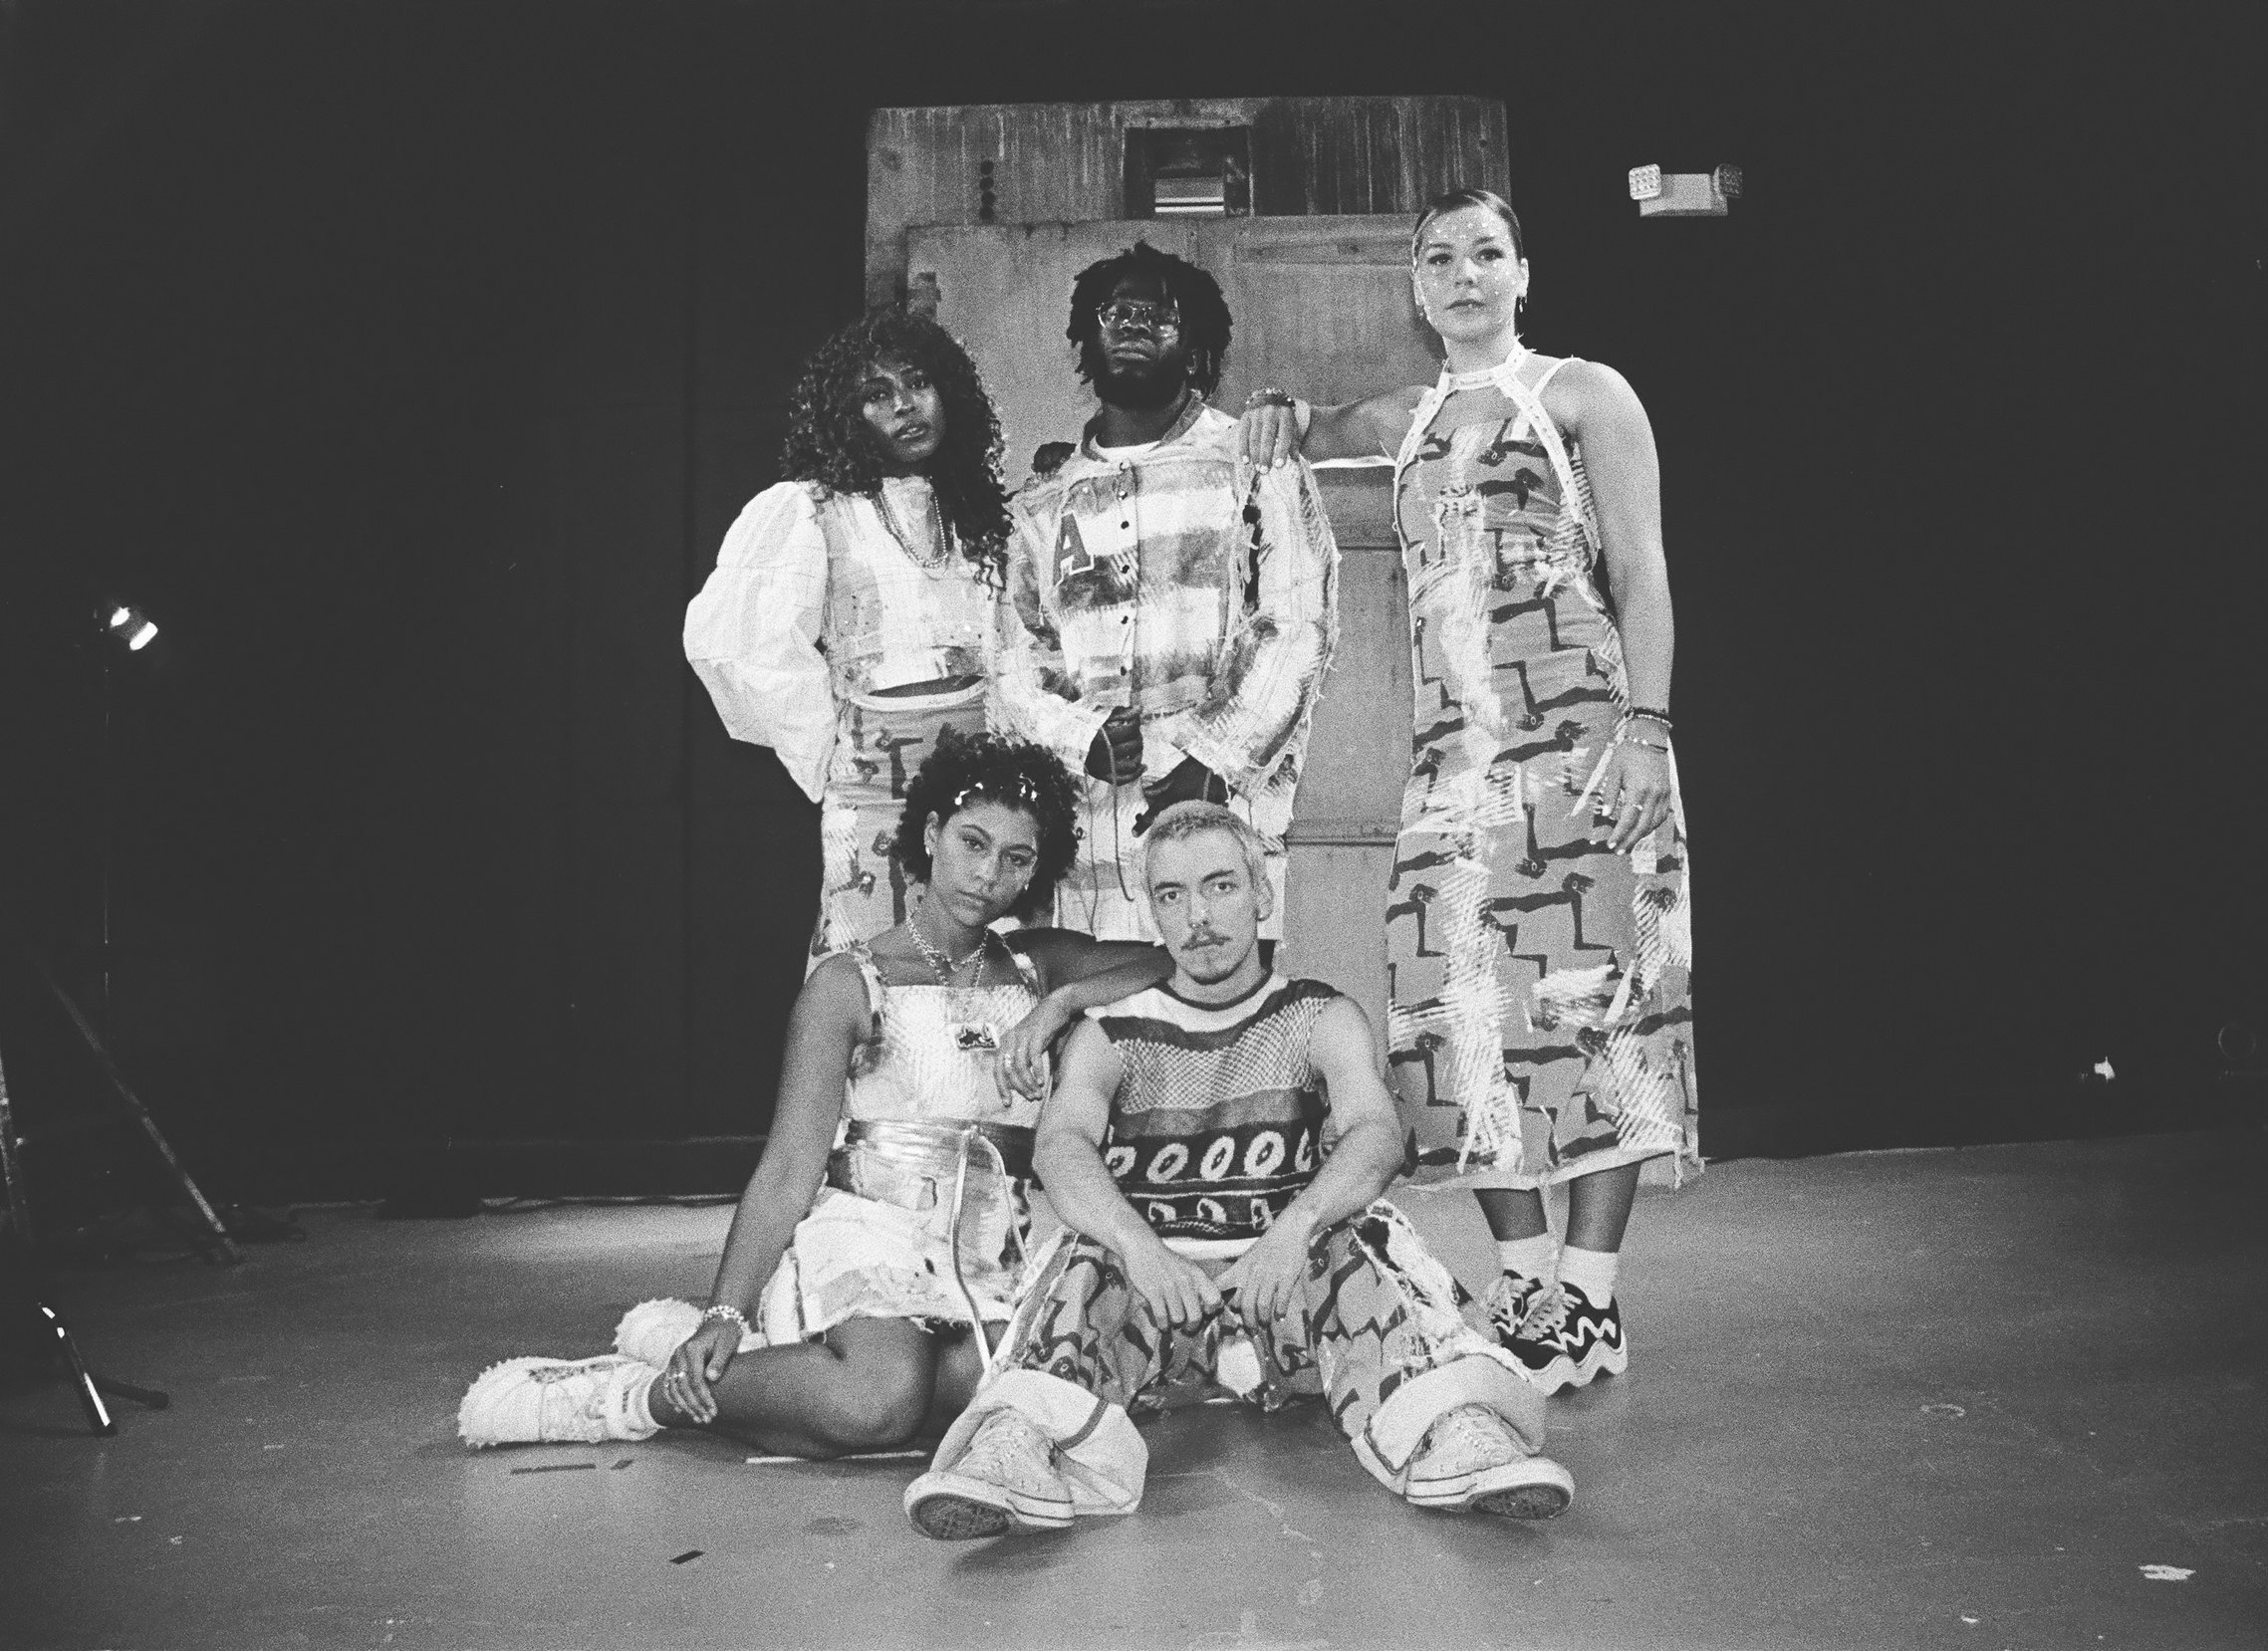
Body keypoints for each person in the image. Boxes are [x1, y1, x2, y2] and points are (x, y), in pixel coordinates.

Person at [1244, 187, 1698, 1394]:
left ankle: (1590, 1299)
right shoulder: (1408, 414)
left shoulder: (1583, 393)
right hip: (1451, 765)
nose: (1463, 275)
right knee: (1461, 1018)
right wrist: (1278, 412)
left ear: (1522, 272)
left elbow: (1642, 570)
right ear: (1413, 284)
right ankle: (1527, 1281)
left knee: (1597, 1013)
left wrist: (1646, 729)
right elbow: (1312, 424)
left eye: (1485, 253)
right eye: (1438, 257)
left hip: (1582, 744)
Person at [456, 732, 1172, 1458]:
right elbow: (789, 1166)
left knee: (1025, 1389)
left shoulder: (1038, 965)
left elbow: (1176, 960)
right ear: (932, 834)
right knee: (879, 1400)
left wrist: (1061, 1002)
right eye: (973, 843)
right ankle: (627, 1397)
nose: (988, 875)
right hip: (871, 1229)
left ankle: (769, 1368)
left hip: (996, 1245)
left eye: (1016, 859)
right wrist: (725, 1310)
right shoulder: (849, 982)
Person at [901, 803, 1573, 1538]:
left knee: (1364, 1238)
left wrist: (1295, 1228)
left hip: (1285, 1296)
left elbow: (1377, 1134)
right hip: (1159, 1305)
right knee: (1086, 1258)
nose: (1198, 917)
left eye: (1220, 886)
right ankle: (1015, 1449)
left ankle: (1457, 1432)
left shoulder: (1318, 1015)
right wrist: (1140, 1248)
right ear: (1154, 913)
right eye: (1172, 895)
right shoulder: (1111, 1032)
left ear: (1261, 895)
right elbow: (1061, 1149)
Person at [990, 242, 1339, 941]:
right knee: (1095, 1001)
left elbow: (1297, 624)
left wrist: (1212, 759)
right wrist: (1080, 737)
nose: (1133, 324)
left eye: (1160, 315)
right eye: (1115, 311)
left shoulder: (1253, 464)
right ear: (1087, 336)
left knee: (1223, 997)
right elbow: (1015, 659)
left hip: (1227, 813)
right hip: (1084, 843)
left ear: (1198, 344)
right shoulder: (1042, 502)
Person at [685, 308, 1015, 971]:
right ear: (846, 414)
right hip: (875, 785)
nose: (904, 406)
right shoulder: (815, 507)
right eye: (877, 394)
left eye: (917, 383)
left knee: (985, 971)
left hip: (984, 784)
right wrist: (832, 743)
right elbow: (736, 643)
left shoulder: (977, 511)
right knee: (877, 971)